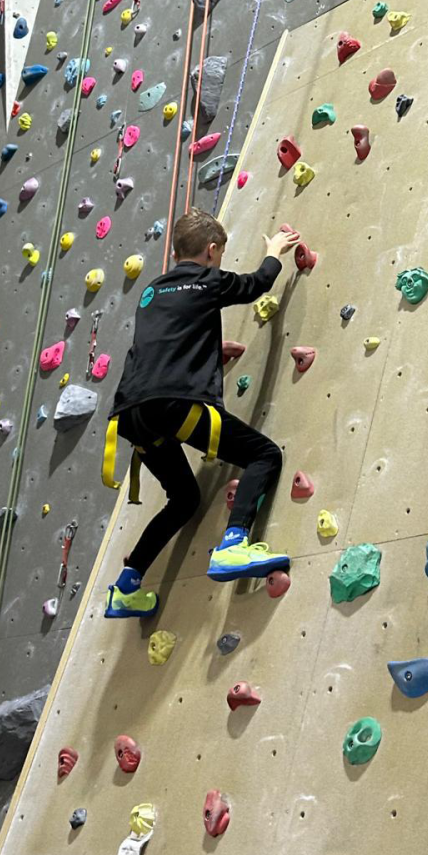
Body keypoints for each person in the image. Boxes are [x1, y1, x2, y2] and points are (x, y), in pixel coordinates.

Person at [103, 209, 299, 619]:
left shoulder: (151, 293)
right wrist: (275, 251)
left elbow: (167, 338)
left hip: (131, 415)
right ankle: (233, 544)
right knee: (264, 455)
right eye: (220, 254)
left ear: (177, 252)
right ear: (211, 251)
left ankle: (125, 587)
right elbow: (256, 284)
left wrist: (207, 351)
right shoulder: (207, 280)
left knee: (184, 499)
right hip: (172, 405)